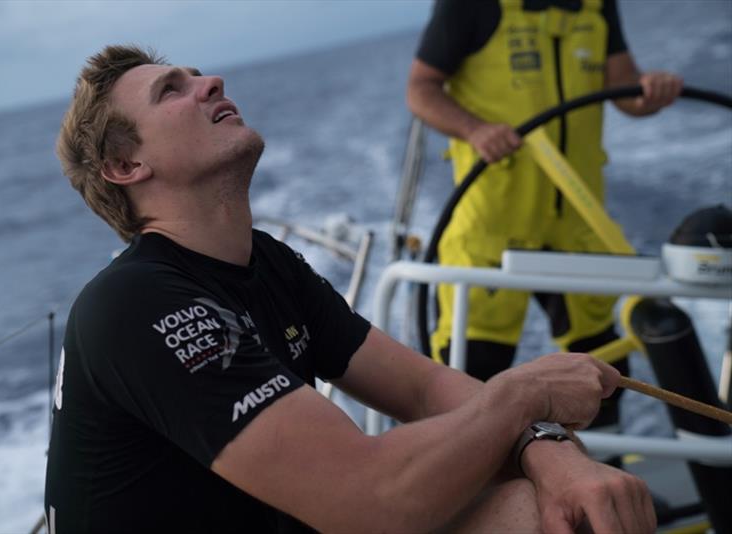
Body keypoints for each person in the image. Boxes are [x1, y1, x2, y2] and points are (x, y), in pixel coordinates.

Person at [44, 44, 656, 533]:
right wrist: (526, 393)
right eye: (170, 90)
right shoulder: (136, 304)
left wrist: (553, 453)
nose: (211, 83)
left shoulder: (270, 264)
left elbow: (421, 387)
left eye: (196, 75)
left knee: (567, 512)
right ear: (125, 168)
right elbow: (374, 501)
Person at [406, 0, 683, 447]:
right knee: (473, 372)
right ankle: (485, 501)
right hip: (493, 223)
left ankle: (601, 482)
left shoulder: (597, 6)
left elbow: (625, 87)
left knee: (602, 372)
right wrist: (474, 129)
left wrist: (651, 89)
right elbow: (421, 88)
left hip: (579, 220)